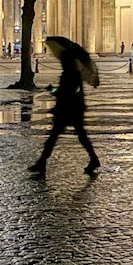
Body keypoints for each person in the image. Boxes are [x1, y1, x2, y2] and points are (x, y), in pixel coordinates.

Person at [28, 43, 100, 176]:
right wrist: (56, 90)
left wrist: (54, 90)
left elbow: (69, 91)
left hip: (69, 109)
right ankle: (93, 159)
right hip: (72, 109)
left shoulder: (70, 73)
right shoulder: (71, 72)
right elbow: (69, 90)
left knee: (55, 137)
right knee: (76, 136)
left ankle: (42, 162)